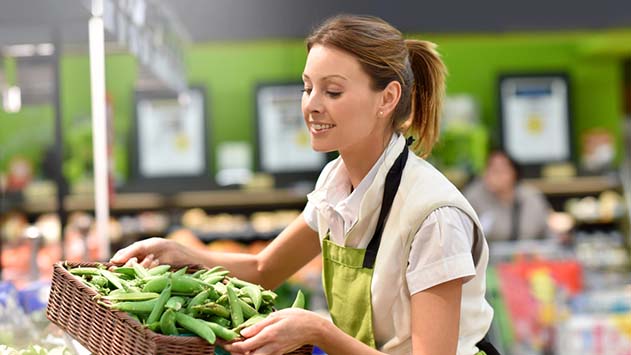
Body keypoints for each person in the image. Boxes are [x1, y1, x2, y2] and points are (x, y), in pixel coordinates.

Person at [111, 14, 496, 355]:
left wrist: (318, 331)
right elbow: (264, 268)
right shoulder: (335, 183)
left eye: (333, 91)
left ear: (387, 98)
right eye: (307, 87)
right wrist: (181, 253)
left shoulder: (434, 218)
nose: (311, 104)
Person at [464, 150, 551, 242]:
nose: (493, 175)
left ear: (513, 173)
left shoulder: (532, 198)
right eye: (490, 169)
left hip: (529, 253)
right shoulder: (474, 197)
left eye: (500, 170)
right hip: (488, 255)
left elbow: (548, 233)